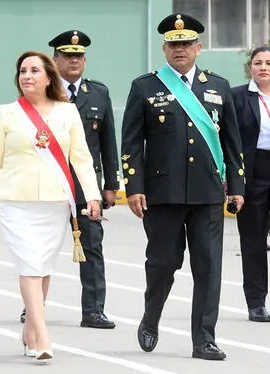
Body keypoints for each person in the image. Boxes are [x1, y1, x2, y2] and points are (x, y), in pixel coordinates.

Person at [121, 13, 245, 360]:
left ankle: (203, 339)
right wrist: (133, 186)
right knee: (162, 263)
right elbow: (131, 142)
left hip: (207, 193)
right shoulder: (145, 86)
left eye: (186, 44)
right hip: (163, 193)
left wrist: (237, 184)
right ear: (164, 48)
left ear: (198, 48)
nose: (180, 49)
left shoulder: (218, 87)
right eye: (174, 44)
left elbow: (232, 142)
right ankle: (151, 315)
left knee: (209, 267)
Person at [0, 50, 102, 364]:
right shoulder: (7, 113)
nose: (27, 76)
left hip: (55, 202)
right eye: (22, 71)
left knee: (42, 268)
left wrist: (93, 195)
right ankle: (43, 333)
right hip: (15, 203)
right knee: (30, 265)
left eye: (33, 70)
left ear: (48, 77)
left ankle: (31, 330)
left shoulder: (67, 112)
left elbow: (82, 159)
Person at [19, 30, 120, 329]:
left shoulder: (98, 93)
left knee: (92, 247)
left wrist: (110, 185)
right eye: (68, 55)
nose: (74, 60)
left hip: (85, 186)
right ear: (56, 60)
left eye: (79, 56)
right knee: (39, 248)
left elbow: (107, 141)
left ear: (85, 60)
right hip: (46, 182)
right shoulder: (40, 92)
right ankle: (33, 308)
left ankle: (93, 310)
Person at [232, 45, 270, 322]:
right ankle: (256, 302)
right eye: (257, 63)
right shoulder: (238, 97)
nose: (263, 67)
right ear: (250, 68)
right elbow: (227, 139)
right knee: (254, 241)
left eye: (268, 63)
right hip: (254, 174)